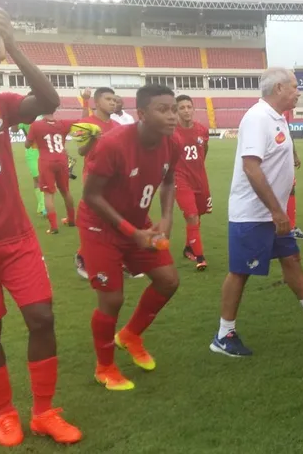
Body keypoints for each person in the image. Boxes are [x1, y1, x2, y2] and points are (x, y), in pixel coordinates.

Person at [0, 11, 83, 446]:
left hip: (16, 237)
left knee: (42, 317)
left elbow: (47, 100)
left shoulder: (2, 104)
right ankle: (6, 412)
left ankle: (43, 411)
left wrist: (12, 49)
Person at [210, 67, 303, 358]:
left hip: (270, 213)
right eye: (293, 86)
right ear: (278, 88)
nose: (298, 92)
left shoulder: (275, 117)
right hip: (254, 213)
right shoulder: (257, 118)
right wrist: (278, 212)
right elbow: (251, 167)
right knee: (241, 271)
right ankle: (224, 334)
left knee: (291, 257)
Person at [79, 84, 183, 391]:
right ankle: (105, 367)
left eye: (174, 109)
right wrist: (130, 232)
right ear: (141, 114)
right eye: (163, 110)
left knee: (168, 280)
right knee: (112, 298)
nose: (172, 116)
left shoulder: (171, 143)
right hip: (101, 228)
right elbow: (91, 195)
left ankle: (130, 335)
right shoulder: (113, 144)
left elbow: (169, 180)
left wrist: (166, 218)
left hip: (140, 226)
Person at [74, 87, 118, 279]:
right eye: (108, 99)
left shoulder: (117, 125)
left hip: (115, 179)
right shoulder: (85, 123)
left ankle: (118, 260)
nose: (113, 103)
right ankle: (83, 257)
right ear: (97, 102)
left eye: (114, 100)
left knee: (114, 219)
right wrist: (93, 139)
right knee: (93, 220)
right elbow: (81, 152)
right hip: (93, 177)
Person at [174, 95, 212, 271]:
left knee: (198, 214)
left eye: (189, 107)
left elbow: (204, 150)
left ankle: (189, 247)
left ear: (193, 109)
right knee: (191, 215)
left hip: (199, 178)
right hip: (180, 179)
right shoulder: (171, 131)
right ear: (176, 110)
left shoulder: (202, 130)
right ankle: (200, 257)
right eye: (182, 107)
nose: (186, 110)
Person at [25, 115, 77, 234]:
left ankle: (54, 227)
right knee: (66, 191)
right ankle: (71, 220)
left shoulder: (36, 125)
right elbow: (83, 121)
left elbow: (27, 144)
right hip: (62, 160)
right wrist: (85, 102)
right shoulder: (64, 123)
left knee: (48, 194)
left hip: (46, 161)